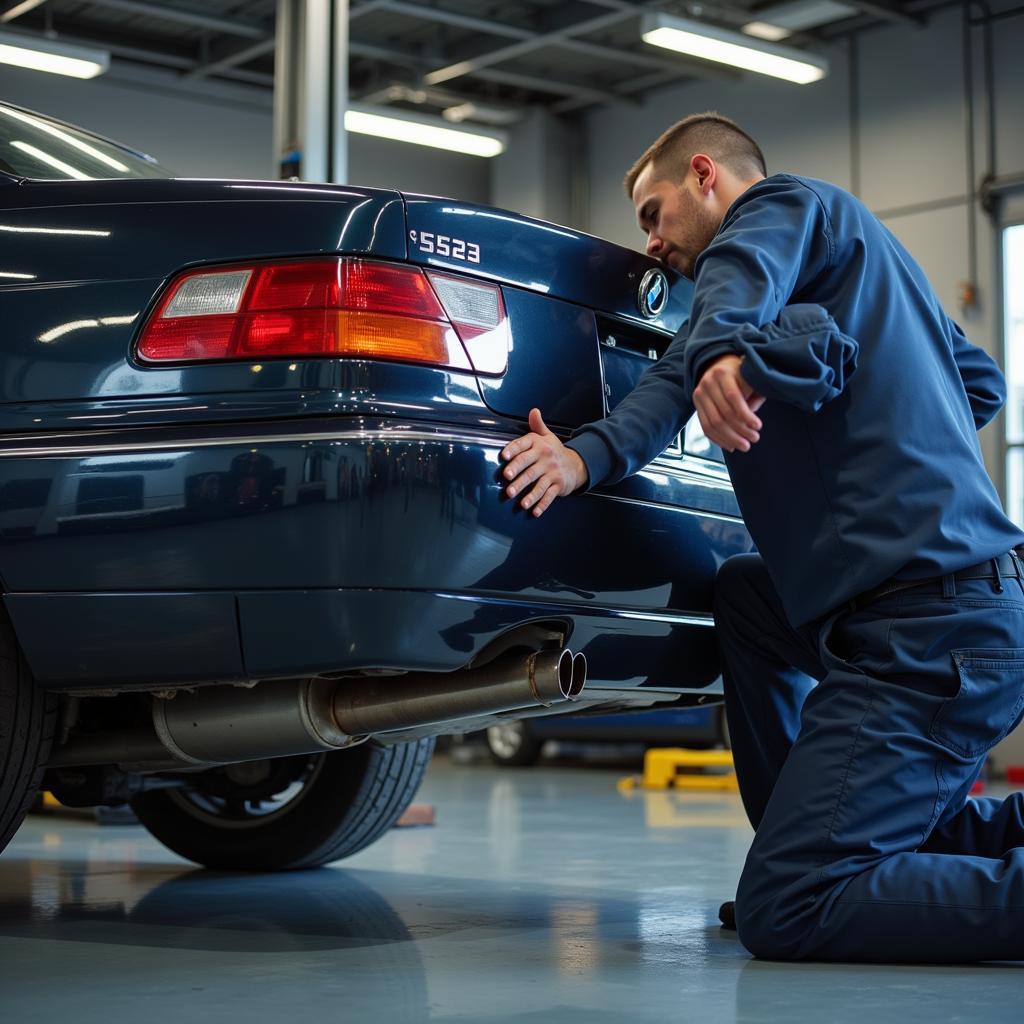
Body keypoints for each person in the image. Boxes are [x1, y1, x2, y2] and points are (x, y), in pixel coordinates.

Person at [499, 111, 1024, 963]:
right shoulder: (854, 275)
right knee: (746, 593)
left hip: (931, 631)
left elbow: (726, 308)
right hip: (942, 613)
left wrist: (728, 357)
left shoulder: (779, 209)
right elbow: (981, 382)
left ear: (705, 175)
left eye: (654, 214)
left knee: (792, 910)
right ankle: (804, 840)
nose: (653, 245)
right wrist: (578, 461)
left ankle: (803, 874)